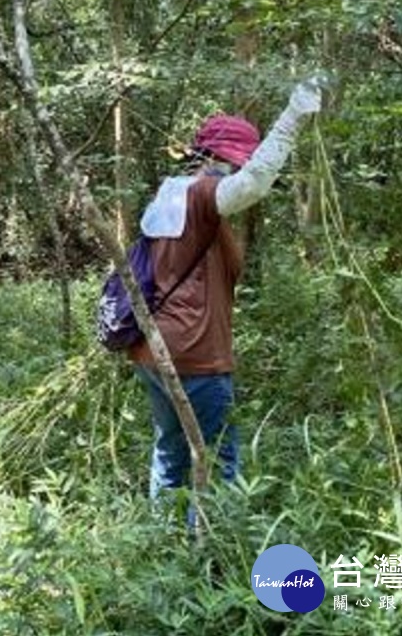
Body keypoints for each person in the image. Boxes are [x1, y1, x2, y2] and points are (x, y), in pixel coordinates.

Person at [130, 78, 322, 499]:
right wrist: (291, 118)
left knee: (171, 452)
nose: (236, 169)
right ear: (217, 159)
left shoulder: (168, 195)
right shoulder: (201, 195)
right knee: (218, 460)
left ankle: (161, 543)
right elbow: (252, 184)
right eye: (235, 161)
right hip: (196, 355)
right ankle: (213, 555)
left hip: (153, 351)